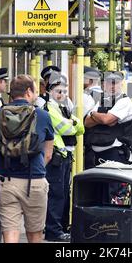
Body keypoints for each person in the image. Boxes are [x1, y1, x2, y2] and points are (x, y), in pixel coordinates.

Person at [0, 74, 53, 243]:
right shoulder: (43, 116)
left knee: (10, 234)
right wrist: (37, 169)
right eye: (35, 91)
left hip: (6, 181)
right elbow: (49, 154)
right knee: (35, 235)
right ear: (28, 92)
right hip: (34, 181)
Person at [44, 74, 84, 241]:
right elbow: (66, 128)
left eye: (64, 91)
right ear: (50, 92)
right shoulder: (50, 108)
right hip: (56, 157)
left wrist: (72, 123)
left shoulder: (64, 108)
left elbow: (80, 127)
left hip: (65, 156)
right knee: (56, 194)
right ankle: (53, 231)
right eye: (58, 91)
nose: (62, 94)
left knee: (63, 194)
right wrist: (72, 123)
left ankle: (60, 227)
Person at [84, 71, 132, 164]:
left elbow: (106, 120)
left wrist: (94, 115)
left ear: (121, 84)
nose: (112, 86)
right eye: (109, 83)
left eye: (115, 83)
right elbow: (87, 122)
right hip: (95, 155)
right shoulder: (101, 100)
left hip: (115, 154)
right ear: (104, 84)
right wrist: (96, 115)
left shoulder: (124, 101)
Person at [83, 66, 103, 169]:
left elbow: (78, 117)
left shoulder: (86, 96)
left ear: (90, 80)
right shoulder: (104, 95)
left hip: (88, 141)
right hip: (102, 141)